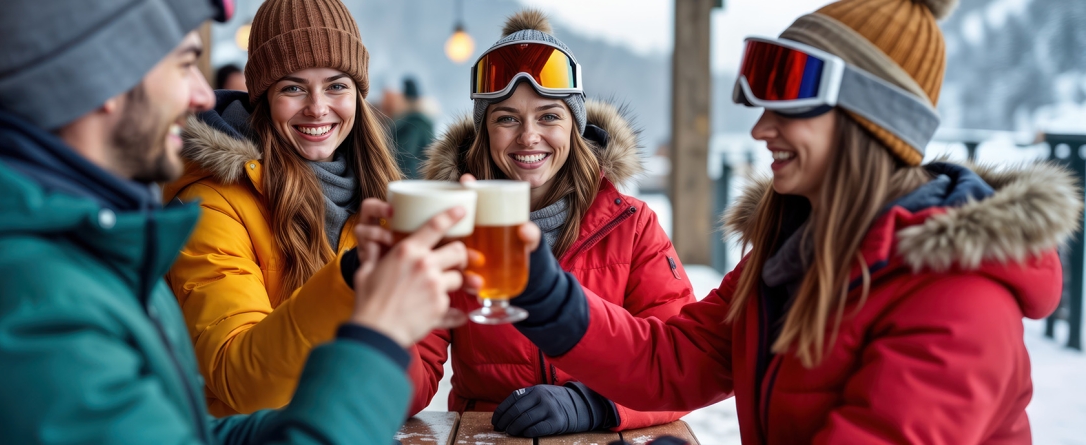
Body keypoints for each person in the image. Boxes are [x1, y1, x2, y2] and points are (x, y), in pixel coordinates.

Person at [0, 0, 468, 443]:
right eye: (184, 63)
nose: (202, 96)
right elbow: (234, 382)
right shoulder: (21, 308)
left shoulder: (85, 246)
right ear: (104, 76)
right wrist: (375, 338)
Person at [499, 0, 1084, 443]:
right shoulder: (795, 253)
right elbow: (674, 360)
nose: (761, 129)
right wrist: (543, 291)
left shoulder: (957, 298)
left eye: (791, 105)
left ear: (868, 122)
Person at [410, 10, 696, 438]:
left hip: (605, 434)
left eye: (548, 116)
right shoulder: (454, 227)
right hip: (488, 434)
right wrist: (379, 332)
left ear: (574, 127)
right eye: (507, 118)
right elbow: (412, 373)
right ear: (485, 132)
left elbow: (680, 366)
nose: (529, 136)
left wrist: (591, 404)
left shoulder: (632, 226)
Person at [163, 0, 406, 416]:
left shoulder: (382, 193)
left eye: (336, 85)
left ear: (357, 95)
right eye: (293, 88)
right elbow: (241, 379)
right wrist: (351, 278)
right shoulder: (212, 204)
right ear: (264, 99)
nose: (317, 107)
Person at [391, 76, 435, 178]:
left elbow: (406, 158)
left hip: (408, 180)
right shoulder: (423, 123)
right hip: (415, 179)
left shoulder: (413, 125)